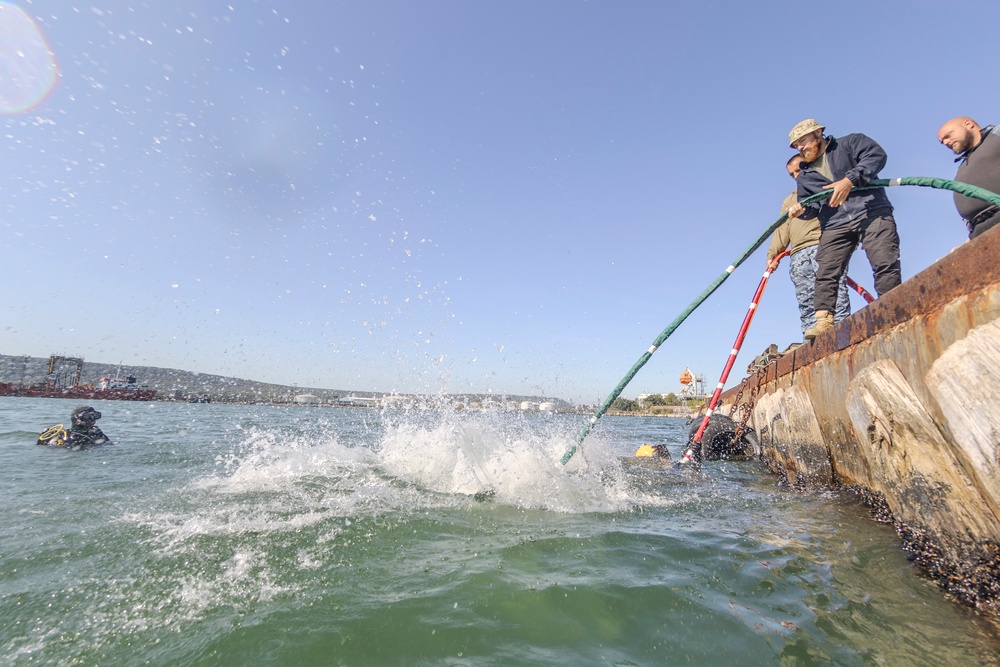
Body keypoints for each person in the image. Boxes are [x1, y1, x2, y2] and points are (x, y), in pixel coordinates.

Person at [786, 119, 901, 341]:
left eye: (803, 141)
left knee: (884, 258)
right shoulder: (806, 176)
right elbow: (811, 205)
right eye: (796, 146)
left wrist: (850, 180)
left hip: (870, 210)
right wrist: (803, 210)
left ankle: (891, 307)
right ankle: (823, 320)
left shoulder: (850, 143)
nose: (800, 147)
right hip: (835, 223)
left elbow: (877, 155)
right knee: (826, 269)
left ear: (818, 133)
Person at [768, 155, 851, 338]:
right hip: (798, 255)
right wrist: (773, 255)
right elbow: (782, 229)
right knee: (806, 301)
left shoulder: (826, 186)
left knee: (835, 293)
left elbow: (847, 212)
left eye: (799, 170)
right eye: (792, 174)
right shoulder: (789, 200)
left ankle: (844, 336)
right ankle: (813, 346)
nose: (796, 176)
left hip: (823, 246)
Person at [937, 117, 1000, 239]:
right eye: (942, 141)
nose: (945, 142)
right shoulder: (962, 165)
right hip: (979, 230)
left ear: (969, 124)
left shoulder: (996, 135)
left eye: (948, 136)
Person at [37, 405, 112, 449]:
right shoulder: (90, 435)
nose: (92, 420)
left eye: (95, 416)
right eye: (87, 417)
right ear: (77, 419)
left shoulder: (95, 433)